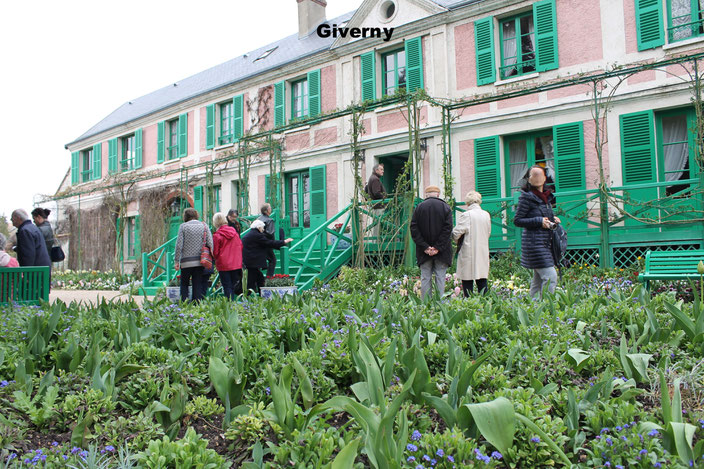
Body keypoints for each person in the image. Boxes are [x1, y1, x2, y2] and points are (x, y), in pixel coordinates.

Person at [514, 165, 562, 299]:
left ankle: (533, 308)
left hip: (545, 243)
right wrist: (539, 221)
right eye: (533, 175)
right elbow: (518, 220)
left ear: (545, 178)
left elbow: (543, 216)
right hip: (534, 244)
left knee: (538, 281)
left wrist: (553, 219)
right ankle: (547, 307)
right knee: (550, 276)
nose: (537, 177)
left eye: (539, 174)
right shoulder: (526, 198)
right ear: (529, 180)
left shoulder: (546, 198)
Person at [410, 186, 453, 299]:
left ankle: (425, 304)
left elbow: (414, 229)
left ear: (426, 195)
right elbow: (448, 229)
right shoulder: (445, 207)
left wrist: (425, 247)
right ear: (438, 194)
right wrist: (437, 247)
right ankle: (440, 303)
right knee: (440, 277)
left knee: (425, 277)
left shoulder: (419, 207)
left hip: (424, 251)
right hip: (442, 251)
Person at [452, 191, 491, 296]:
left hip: (468, 250)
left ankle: (469, 304)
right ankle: (484, 303)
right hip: (482, 249)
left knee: (467, 278)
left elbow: (456, 233)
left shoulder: (467, 215)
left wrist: (457, 241)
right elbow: (488, 232)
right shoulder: (486, 215)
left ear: (467, 203)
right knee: (482, 278)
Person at [241, 219, 293, 294]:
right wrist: (284, 242)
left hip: (250, 262)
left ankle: (260, 296)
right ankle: (251, 298)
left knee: (258, 280)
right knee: (253, 282)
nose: (263, 230)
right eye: (262, 228)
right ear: (258, 227)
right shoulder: (257, 235)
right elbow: (269, 243)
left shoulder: (250, 234)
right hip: (253, 263)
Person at [174, 208, 213, 302]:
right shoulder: (204, 226)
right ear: (196, 215)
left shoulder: (183, 227)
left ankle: (184, 304)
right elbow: (210, 243)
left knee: (184, 284)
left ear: (185, 216)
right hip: (200, 261)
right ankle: (197, 304)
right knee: (197, 283)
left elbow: (179, 245)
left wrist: (176, 260)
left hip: (185, 262)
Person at [212, 212, 243, 299]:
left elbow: (215, 252)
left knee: (227, 286)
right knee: (233, 285)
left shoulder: (217, 235)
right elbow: (240, 246)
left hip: (223, 264)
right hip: (236, 263)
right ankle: (233, 305)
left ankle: (229, 306)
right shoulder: (234, 233)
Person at [366, 163, 386, 239]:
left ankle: (376, 243)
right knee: (377, 227)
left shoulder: (373, 178)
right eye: (381, 169)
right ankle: (376, 244)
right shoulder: (375, 179)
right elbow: (376, 193)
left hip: (376, 206)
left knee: (377, 225)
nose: (383, 171)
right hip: (378, 206)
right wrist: (384, 198)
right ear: (376, 170)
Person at [257, 203, 277, 277]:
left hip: (257, 244)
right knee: (272, 260)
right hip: (266, 244)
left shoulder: (258, 219)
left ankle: (258, 280)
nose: (271, 209)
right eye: (270, 208)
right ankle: (269, 278)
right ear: (267, 210)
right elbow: (270, 234)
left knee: (258, 263)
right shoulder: (269, 220)